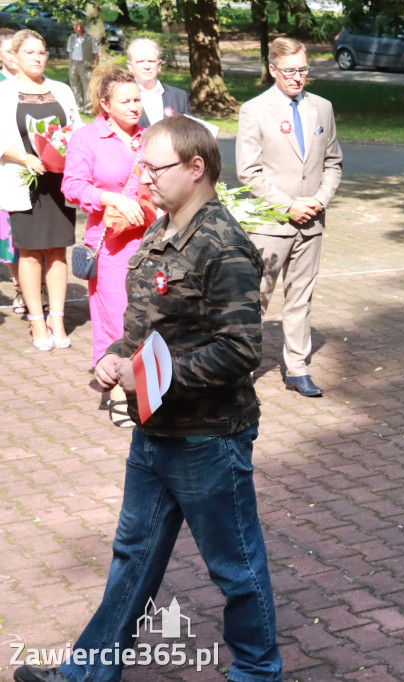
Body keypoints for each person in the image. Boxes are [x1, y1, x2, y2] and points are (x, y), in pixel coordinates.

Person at [12, 115, 283, 682]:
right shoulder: (162, 233)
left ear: (196, 167)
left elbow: (239, 352)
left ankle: (258, 673)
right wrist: (115, 358)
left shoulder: (223, 245)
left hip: (209, 438)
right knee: (132, 559)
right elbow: (143, 329)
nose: (143, 177)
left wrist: (151, 378)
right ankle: (88, 672)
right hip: (156, 432)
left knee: (236, 569)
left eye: (153, 167)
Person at [236, 37, 343, 397]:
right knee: (257, 297)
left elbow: (333, 162)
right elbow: (249, 172)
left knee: (301, 297)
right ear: (272, 70)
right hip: (271, 224)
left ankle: (297, 368)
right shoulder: (254, 109)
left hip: (311, 220)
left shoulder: (322, 107)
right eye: (290, 71)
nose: (297, 78)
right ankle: (241, 369)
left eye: (303, 70)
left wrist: (319, 199)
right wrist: (288, 205)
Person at [62, 67, 150, 427]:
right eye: (125, 101)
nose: (134, 107)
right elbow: (72, 187)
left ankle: (145, 388)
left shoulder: (150, 136)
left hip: (151, 239)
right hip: (111, 246)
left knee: (150, 316)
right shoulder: (87, 138)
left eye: (138, 99)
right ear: (105, 105)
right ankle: (115, 389)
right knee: (116, 318)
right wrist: (110, 198)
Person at [0, 30, 82, 352]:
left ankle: (57, 318)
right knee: (31, 253)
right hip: (24, 182)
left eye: (42, 52)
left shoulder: (61, 90)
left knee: (58, 251)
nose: (37, 57)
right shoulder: (5, 93)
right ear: (15, 56)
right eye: (30, 52)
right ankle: (36, 320)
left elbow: (76, 128)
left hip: (59, 182)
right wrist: (24, 157)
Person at [0, 27, 22, 315]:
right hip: (7, 170)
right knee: (11, 236)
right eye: (9, 51)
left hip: (39, 170)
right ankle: (20, 287)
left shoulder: (44, 86)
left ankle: (38, 286)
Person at [126, 37, 191, 127]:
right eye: (140, 62)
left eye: (151, 61)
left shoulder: (179, 97)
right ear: (130, 66)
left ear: (159, 65)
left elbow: (189, 134)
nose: (147, 66)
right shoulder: (122, 98)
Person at [66, 20, 98, 114]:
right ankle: (78, 106)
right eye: (74, 26)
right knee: (75, 85)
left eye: (78, 26)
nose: (75, 28)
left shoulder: (90, 39)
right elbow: (69, 51)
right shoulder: (71, 38)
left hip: (85, 64)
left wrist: (96, 65)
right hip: (73, 64)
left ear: (83, 27)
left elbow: (96, 53)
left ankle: (88, 108)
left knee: (87, 86)